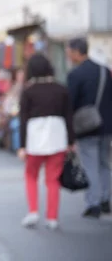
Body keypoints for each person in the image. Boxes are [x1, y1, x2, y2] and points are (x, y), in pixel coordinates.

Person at [18, 53, 75, 229]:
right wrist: (71, 141)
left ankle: (33, 211)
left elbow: (23, 119)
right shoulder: (61, 89)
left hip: (34, 137)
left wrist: (21, 145)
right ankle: (52, 217)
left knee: (31, 175)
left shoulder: (28, 91)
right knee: (53, 179)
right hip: (58, 136)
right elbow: (68, 117)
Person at [66, 38, 112, 218]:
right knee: (104, 163)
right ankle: (106, 199)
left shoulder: (75, 75)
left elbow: (70, 103)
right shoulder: (104, 71)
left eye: (69, 51)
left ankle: (93, 203)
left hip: (87, 127)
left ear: (77, 52)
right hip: (107, 126)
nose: (68, 55)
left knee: (90, 164)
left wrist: (69, 131)